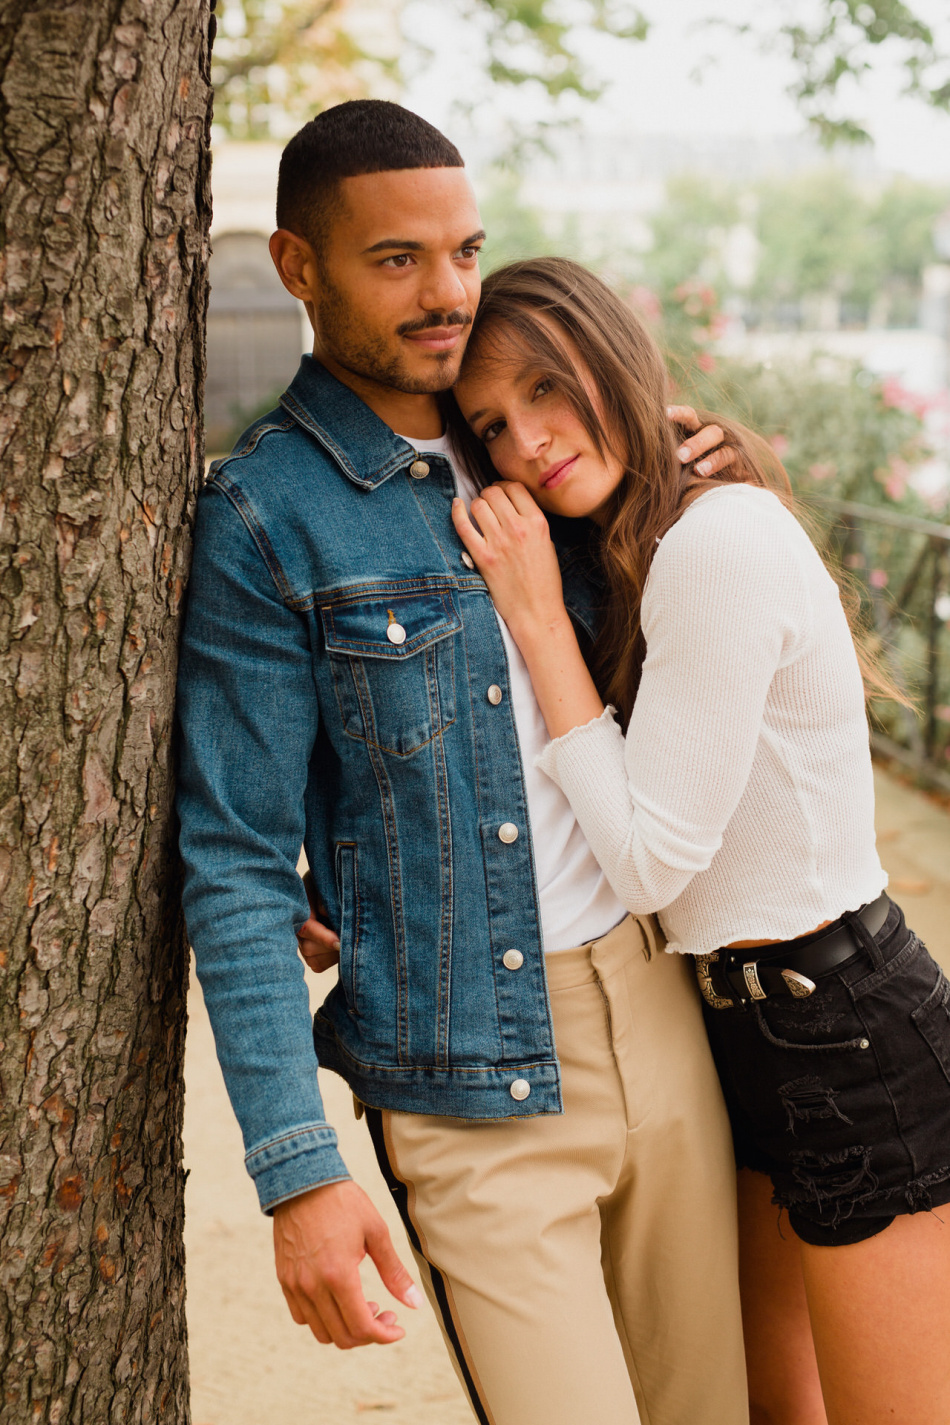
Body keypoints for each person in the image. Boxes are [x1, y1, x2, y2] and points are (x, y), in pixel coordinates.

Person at [176, 101, 746, 1425]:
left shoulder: (541, 444)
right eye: (396, 260)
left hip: (660, 1016)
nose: (445, 295)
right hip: (465, 1075)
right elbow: (234, 858)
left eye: (463, 251)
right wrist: (297, 1169)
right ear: (299, 267)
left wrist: (689, 473)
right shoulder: (268, 516)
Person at [446, 253, 950, 1425]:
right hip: (746, 1035)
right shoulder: (645, 543)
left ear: (607, 352)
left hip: (848, 1035)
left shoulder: (713, 542)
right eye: (491, 424)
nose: (525, 439)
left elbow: (649, 863)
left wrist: (533, 621)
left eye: (544, 387)